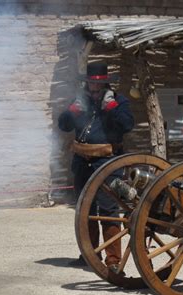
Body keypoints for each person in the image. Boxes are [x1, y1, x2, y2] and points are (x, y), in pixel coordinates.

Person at [58, 61, 134, 273]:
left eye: (98, 85)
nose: (94, 88)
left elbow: (127, 125)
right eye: (91, 84)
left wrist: (111, 108)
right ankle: (89, 254)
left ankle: (113, 260)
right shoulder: (80, 101)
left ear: (105, 85)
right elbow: (63, 125)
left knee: (109, 210)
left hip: (107, 161)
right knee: (85, 210)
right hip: (82, 162)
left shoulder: (119, 101)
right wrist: (72, 111)